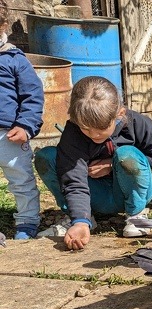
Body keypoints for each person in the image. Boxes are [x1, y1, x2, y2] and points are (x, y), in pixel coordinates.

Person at [34, 76, 152, 249]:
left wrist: (112, 165)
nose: (93, 135)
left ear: (119, 113)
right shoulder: (73, 132)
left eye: (101, 130)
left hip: (131, 192)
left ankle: (136, 215)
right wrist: (80, 221)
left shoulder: (139, 123)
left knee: (126, 154)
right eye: (85, 129)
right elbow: (73, 178)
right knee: (47, 157)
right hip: (95, 195)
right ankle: (81, 218)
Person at [0, 0, 44, 240]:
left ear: (3, 26)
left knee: (21, 179)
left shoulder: (15, 60)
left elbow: (33, 96)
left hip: (9, 135)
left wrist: (25, 126)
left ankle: (27, 221)